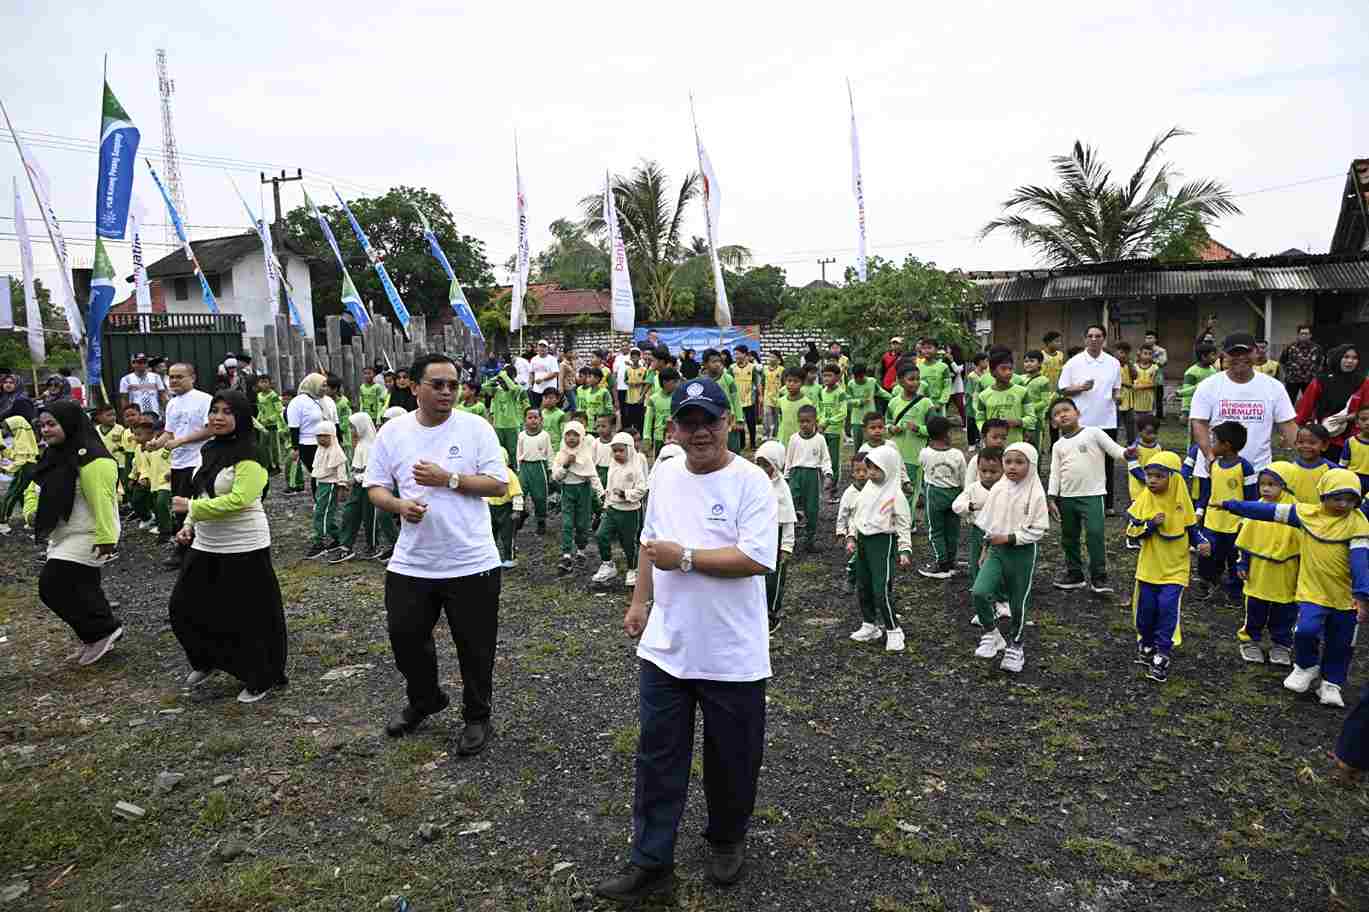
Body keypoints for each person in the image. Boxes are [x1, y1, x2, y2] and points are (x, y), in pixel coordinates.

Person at [593, 375, 775, 902]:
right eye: (688, 421)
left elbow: (758, 558)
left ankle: (725, 838)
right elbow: (652, 544)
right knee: (657, 757)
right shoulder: (668, 475)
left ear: (729, 423)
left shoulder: (750, 483)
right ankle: (650, 861)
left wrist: (690, 559)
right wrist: (639, 602)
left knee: (732, 759)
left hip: (731, 655)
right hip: (666, 650)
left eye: (709, 421)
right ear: (673, 426)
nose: (699, 432)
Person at [365, 353, 508, 753]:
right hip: (413, 561)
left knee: (475, 646)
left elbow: (498, 485)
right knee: (404, 636)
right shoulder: (393, 433)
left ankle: (478, 717)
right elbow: (375, 487)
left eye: (453, 385)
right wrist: (398, 507)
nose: (447, 392)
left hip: (472, 561)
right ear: (413, 387)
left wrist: (450, 479)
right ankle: (425, 698)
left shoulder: (476, 428)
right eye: (437, 384)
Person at [166, 390, 287, 703]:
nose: (217, 417)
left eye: (227, 412)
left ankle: (261, 675)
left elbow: (241, 499)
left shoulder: (251, 453)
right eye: (214, 411)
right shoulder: (210, 448)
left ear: (242, 417)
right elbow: (205, 492)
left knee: (249, 617)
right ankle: (208, 659)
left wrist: (189, 507)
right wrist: (189, 525)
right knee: (184, 606)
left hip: (244, 544)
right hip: (207, 542)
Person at [1220, 469, 1369, 707]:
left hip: (1346, 597)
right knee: (1304, 631)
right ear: (1323, 496)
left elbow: (1360, 562)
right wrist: (1232, 505)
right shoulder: (1306, 515)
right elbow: (1267, 512)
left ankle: (1332, 683)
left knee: (1341, 642)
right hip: (1313, 591)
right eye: (1337, 498)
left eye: (1350, 500)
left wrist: (1362, 597)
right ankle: (1306, 666)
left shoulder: (1358, 525)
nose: (1343, 505)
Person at [23, 401, 122, 665]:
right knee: (84, 586)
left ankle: (103, 630)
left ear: (68, 423)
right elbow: (33, 488)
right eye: (42, 425)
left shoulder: (93, 458)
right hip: (62, 534)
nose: (45, 430)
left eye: (51, 424)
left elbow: (104, 502)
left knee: (52, 586)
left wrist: (106, 538)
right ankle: (96, 636)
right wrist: (31, 513)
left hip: (88, 532)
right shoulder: (52, 456)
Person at [1124, 450, 1211, 683]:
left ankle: (1163, 653)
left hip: (1175, 569)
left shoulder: (1182, 502)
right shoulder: (1145, 500)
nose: (1152, 481)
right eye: (1149, 475)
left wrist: (1202, 543)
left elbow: (1192, 530)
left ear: (1173, 478)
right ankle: (1147, 643)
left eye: (1159, 476)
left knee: (1167, 609)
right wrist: (1151, 525)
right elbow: (1132, 532)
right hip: (1149, 568)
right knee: (1146, 611)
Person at [969, 442, 1049, 673]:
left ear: (1031, 465)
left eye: (1019, 462)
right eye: (1008, 461)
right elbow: (989, 522)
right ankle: (991, 633)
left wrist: (1010, 538)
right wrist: (985, 548)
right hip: (996, 551)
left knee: (1017, 602)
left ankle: (1016, 644)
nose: (1012, 467)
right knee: (980, 591)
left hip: (1021, 554)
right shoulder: (999, 489)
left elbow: (1038, 529)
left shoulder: (1035, 494)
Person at [1190, 332, 1298, 487]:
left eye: (1246, 352)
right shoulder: (1208, 386)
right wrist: (1209, 456)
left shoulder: (1274, 387)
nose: (1240, 358)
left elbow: (1288, 424)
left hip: (1258, 473)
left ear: (1256, 352)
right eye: (1234, 353)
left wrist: (1303, 458)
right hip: (1215, 470)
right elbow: (1199, 424)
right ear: (1224, 355)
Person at [1048, 398, 1130, 593]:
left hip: (1093, 495)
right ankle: (1074, 574)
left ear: (1078, 412)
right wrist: (1051, 497)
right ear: (1053, 423)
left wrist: (1129, 453)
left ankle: (1099, 577)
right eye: (1057, 414)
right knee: (1069, 537)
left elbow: (1116, 451)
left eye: (1066, 410)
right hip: (1067, 498)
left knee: (1094, 534)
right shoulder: (1058, 446)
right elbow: (1055, 473)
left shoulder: (1094, 433)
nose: (1063, 415)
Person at [845, 444, 913, 651]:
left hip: (883, 543)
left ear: (889, 469)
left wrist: (904, 549)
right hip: (864, 543)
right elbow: (857, 515)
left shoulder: (895, 495)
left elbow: (903, 523)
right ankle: (869, 624)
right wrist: (852, 536)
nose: (871, 474)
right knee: (863, 584)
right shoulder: (867, 489)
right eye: (869, 469)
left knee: (880, 588)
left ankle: (893, 629)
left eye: (877, 469)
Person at [1234, 461, 1300, 666]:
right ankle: (1250, 640)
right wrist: (1242, 564)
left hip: (1286, 572)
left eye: (1272, 484)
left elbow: (1302, 545)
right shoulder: (1257, 509)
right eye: (1263, 484)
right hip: (1259, 571)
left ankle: (1281, 645)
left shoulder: (1295, 511)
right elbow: (1246, 539)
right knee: (1255, 608)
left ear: (1286, 485)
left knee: (1284, 611)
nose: (1266, 488)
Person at [151, 363, 214, 570]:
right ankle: (183, 547)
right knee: (179, 506)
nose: (174, 381)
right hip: (178, 462)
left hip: (199, 460)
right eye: (171, 377)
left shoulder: (204, 400)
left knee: (199, 504)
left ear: (192, 377)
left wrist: (182, 441)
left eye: (179, 376)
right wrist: (156, 443)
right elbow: (170, 432)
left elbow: (209, 430)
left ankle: (202, 548)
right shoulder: (172, 404)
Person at [1056, 325, 1123, 513]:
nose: (1094, 339)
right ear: (1085, 338)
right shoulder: (1074, 363)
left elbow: (1116, 387)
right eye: (1090, 336)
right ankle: (1074, 500)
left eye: (1098, 336)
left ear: (1104, 339)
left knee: (1107, 462)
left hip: (1106, 419)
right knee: (1077, 461)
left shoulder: (1113, 363)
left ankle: (1107, 504)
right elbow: (1062, 389)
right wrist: (1080, 388)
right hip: (1080, 421)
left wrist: (1118, 396)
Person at [1194, 422, 1256, 603]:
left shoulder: (1245, 468)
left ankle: (1235, 592)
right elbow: (1207, 490)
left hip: (1235, 524)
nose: (1211, 444)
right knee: (1206, 553)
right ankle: (1207, 583)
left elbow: (1251, 497)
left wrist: (1247, 519)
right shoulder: (1213, 465)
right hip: (1212, 522)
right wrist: (1200, 510)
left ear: (1226, 445)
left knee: (1235, 557)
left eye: (1214, 441)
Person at [332, 412, 394, 563]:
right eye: (351, 428)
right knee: (350, 512)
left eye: (354, 428)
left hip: (370, 486)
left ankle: (373, 545)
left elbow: (371, 471)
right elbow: (356, 468)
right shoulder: (360, 445)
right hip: (358, 486)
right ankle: (346, 546)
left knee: (370, 516)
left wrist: (354, 479)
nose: (352, 431)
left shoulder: (370, 446)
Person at [954, 446, 1005, 626]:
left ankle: (1002, 601)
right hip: (979, 532)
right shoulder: (973, 488)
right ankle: (985, 608)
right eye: (983, 471)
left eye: (994, 471)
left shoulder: (1006, 488)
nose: (988, 475)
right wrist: (972, 506)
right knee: (978, 566)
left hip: (1001, 534)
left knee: (1001, 568)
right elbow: (956, 505)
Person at [1294, 344, 1369, 461]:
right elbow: (1305, 408)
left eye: (1354, 358)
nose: (1350, 361)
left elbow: (1366, 410)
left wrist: (1347, 417)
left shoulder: (1363, 382)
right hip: (1322, 438)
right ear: (1338, 358)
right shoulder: (1320, 380)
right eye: (1346, 357)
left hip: (1351, 439)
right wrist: (1296, 432)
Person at [592, 432, 648, 586]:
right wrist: (605, 504)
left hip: (629, 512)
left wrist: (626, 494)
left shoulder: (635, 467)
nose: (617, 454)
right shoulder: (613, 465)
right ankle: (607, 564)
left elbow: (642, 488)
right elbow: (610, 487)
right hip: (612, 509)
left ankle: (632, 568)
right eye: (614, 450)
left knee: (628, 543)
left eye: (621, 450)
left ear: (629, 449)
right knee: (601, 535)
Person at [916, 415, 967, 580]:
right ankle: (951, 561)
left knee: (936, 530)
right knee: (953, 530)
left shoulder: (925, 453)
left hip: (935, 494)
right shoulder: (958, 454)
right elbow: (963, 477)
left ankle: (942, 563)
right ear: (947, 434)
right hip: (955, 494)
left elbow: (923, 468)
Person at [551, 420, 604, 573]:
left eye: (576, 435)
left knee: (582, 523)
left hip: (584, 492)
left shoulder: (585, 455)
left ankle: (581, 550)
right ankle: (566, 555)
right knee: (567, 523)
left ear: (581, 437)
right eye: (568, 434)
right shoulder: (561, 455)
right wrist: (566, 465)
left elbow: (593, 476)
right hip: (568, 491)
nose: (571, 438)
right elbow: (556, 476)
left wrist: (601, 494)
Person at [754, 440, 796, 632]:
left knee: (774, 579)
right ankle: (757, 613)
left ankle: (772, 614)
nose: (762, 469)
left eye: (766, 464)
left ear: (776, 464)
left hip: (776, 537)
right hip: (758, 536)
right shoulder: (754, 484)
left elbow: (788, 520)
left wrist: (787, 546)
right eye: (759, 463)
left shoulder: (782, 489)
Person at [886, 361, 933, 515]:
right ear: (900, 381)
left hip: (915, 456)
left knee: (911, 491)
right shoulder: (893, 402)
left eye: (918, 379)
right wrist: (891, 428)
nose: (916, 382)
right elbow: (886, 422)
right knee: (893, 489)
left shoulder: (926, 403)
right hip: (895, 454)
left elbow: (935, 428)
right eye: (911, 379)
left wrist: (919, 429)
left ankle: (908, 522)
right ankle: (893, 520)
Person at [305, 421, 348, 559]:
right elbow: (318, 469)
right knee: (322, 513)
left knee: (321, 514)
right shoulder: (320, 450)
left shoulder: (336, 452)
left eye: (325, 436)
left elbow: (341, 473)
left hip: (330, 485)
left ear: (332, 436)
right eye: (318, 436)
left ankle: (320, 542)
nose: (321, 439)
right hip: (321, 485)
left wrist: (342, 487)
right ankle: (339, 537)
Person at [976, 350, 1034, 446]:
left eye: (1010, 369)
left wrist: (1018, 422)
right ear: (992, 372)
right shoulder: (983, 396)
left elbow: (1031, 418)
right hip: (991, 445)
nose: (1008, 372)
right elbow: (979, 419)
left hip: (1015, 444)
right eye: (1003, 369)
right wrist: (987, 430)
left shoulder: (1022, 392)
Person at [286, 373, 328, 495]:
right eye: (322, 386)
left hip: (321, 442)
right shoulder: (297, 402)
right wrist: (295, 448)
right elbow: (294, 427)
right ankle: (318, 499)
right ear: (313, 385)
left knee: (323, 473)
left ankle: (322, 498)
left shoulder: (317, 400)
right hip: (307, 444)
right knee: (317, 472)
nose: (325, 389)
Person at [0, 413, 39, 533]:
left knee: (11, 495)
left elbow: (20, 461)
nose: (7, 431)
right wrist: (4, 450)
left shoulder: (22, 441)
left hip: (25, 469)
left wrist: (6, 469)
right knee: (23, 494)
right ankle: (29, 520)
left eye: (8, 428)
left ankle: (2, 522)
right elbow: (15, 455)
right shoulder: (24, 437)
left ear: (15, 427)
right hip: (30, 467)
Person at [483, 364, 528, 468]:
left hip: (512, 426)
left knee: (514, 452)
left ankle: (516, 470)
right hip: (498, 426)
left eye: (505, 380)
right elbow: (484, 386)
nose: (503, 383)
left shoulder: (517, 389)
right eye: (501, 381)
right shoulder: (497, 391)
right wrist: (497, 377)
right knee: (500, 451)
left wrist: (505, 377)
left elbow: (513, 389)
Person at [516, 407, 552, 535]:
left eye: (536, 417)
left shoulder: (545, 435)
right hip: (525, 467)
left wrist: (550, 469)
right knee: (519, 494)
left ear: (541, 420)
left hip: (539, 467)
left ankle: (541, 521)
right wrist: (519, 468)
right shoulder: (521, 435)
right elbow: (518, 452)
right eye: (530, 418)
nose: (533, 420)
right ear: (525, 420)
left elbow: (549, 453)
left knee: (539, 496)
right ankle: (519, 515)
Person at [487, 450, 523, 569]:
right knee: (490, 534)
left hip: (506, 508)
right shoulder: (488, 474)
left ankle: (510, 558)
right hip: (491, 508)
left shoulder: (509, 475)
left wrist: (517, 511)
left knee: (507, 535)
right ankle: (491, 556)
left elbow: (517, 493)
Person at [815, 363, 848, 498]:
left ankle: (833, 490)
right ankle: (823, 487)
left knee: (834, 461)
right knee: (822, 459)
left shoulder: (840, 393)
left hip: (835, 432)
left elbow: (843, 412)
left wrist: (828, 422)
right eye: (824, 375)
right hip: (823, 431)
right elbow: (819, 409)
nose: (826, 378)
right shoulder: (822, 392)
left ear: (837, 377)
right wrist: (819, 422)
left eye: (829, 375)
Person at [1287, 424, 1334, 504]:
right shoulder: (1289, 469)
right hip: (1296, 512)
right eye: (1301, 442)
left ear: (1324, 446)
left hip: (1320, 513)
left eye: (1312, 443)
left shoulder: (1331, 470)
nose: (1305, 446)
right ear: (1295, 443)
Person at [1279, 324, 1323, 406]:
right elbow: (1282, 362)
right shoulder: (1289, 347)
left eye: (1306, 333)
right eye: (1302, 333)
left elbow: (1320, 364)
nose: (1304, 335)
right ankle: (1289, 418)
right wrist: (1286, 375)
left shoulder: (1317, 348)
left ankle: (1308, 418)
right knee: (1289, 402)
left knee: (1310, 402)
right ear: (1298, 335)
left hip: (1309, 380)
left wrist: (1316, 377)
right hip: (1292, 380)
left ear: (1310, 335)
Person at [643, 368, 679, 460]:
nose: (677, 384)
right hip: (659, 437)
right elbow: (648, 419)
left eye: (677, 381)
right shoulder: (653, 399)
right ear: (664, 382)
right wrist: (647, 437)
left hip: (676, 437)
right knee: (660, 462)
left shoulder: (680, 397)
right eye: (674, 381)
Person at [118, 352, 168, 417]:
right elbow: (124, 399)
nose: (142, 364)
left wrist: (166, 412)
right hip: (136, 415)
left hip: (155, 413)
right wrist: (127, 415)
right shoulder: (126, 379)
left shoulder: (156, 377)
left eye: (144, 362)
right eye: (139, 362)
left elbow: (162, 396)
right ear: (133, 364)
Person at [775, 367, 814, 448]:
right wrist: (779, 437)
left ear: (802, 383)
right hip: (784, 440)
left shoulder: (807, 403)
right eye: (789, 381)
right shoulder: (781, 401)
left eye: (796, 381)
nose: (791, 384)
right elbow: (781, 420)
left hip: (800, 442)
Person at [255, 375, 284, 474]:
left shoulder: (273, 396)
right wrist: (259, 419)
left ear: (270, 384)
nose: (263, 384)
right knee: (263, 446)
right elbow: (261, 409)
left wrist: (270, 419)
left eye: (265, 382)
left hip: (273, 425)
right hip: (263, 426)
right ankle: (267, 465)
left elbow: (279, 411)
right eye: (261, 382)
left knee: (274, 446)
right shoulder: (259, 396)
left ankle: (276, 466)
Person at [1340, 406, 1369, 493]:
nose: (1368, 422)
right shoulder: (1350, 442)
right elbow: (1342, 465)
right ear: (1356, 423)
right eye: (1364, 419)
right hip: (1353, 480)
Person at [529, 339, 560, 411]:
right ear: (537, 348)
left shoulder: (552, 359)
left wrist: (542, 379)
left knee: (548, 409)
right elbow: (531, 372)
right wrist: (530, 383)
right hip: (536, 389)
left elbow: (555, 373)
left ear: (547, 349)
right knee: (536, 409)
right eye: (540, 346)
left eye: (544, 347)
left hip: (549, 390)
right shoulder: (534, 359)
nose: (542, 348)